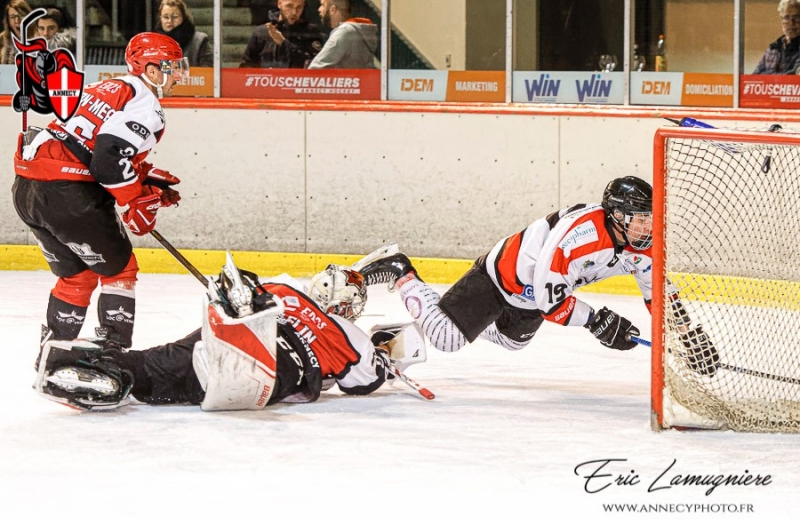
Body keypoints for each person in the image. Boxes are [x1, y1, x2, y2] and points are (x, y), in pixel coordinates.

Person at [359, 177, 719, 374]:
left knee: (515, 342)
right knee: (448, 339)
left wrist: (687, 338)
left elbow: (660, 295)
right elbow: (552, 303)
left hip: (533, 293)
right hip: (502, 278)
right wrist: (597, 321)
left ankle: (438, 319)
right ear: (617, 216)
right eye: (640, 218)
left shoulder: (643, 246)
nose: (647, 226)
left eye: (650, 217)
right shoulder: (580, 239)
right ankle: (400, 269)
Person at [34, 256, 426, 411]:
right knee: (210, 380)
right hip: (280, 367)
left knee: (155, 366)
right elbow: (363, 382)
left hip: (220, 336)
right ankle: (235, 358)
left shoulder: (284, 288)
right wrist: (386, 361)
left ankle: (77, 367)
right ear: (344, 305)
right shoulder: (349, 333)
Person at [12, 32, 188, 352]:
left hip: (28, 190)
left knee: (78, 275)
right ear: (150, 70)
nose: (178, 73)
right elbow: (106, 163)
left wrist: (142, 175)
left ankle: (54, 353)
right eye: (171, 66)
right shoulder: (146, 105)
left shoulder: (102, 87)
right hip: (69, 195)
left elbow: (84, 144)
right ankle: (111, 355)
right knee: (120, 269)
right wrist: (135, 198)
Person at [239, 0, 324, 68]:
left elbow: (313, 63)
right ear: (279, 4)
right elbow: (247, 64)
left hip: (296, 84)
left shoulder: (310, 31)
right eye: (289, 6)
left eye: (299, 7)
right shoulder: (261, 32)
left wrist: (283, 44)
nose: (294, 12)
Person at [307, 0, 377, 69]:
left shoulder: (345, 31)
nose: (319, 9)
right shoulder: (359, 31)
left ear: (333, 9)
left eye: (322, 5)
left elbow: (315, 68)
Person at [155, 0, 212, 67]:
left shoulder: (200, 40)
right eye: (166, 17)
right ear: (160, 18)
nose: (170, 21)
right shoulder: (154, 43)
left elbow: (208, 71)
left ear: (183, 17)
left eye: (175, 17)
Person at [754, 0, 800, 74]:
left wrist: (767, 76)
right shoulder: (773, 48)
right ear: (781, 20)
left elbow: (793, 76)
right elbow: (754, 77)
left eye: (796, 17)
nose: (791, 23)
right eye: (786, 17)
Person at [0, 0, 31, 64]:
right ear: (8, 20)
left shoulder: (39, 36)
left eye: (21, 16)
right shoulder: (2, 38)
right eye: (13, 17)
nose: (17, 21)